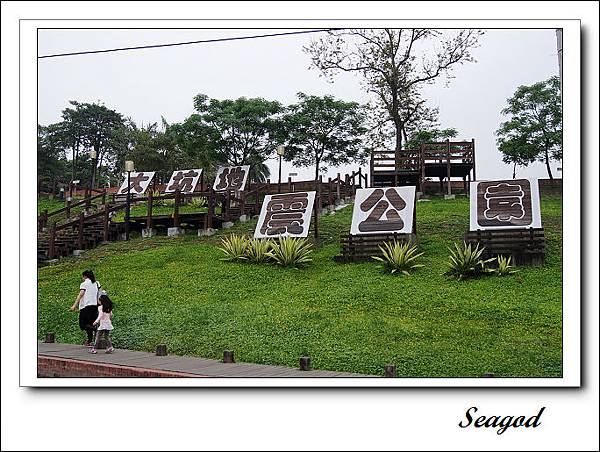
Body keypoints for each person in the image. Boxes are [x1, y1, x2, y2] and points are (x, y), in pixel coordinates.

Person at [69, 270, 101, 346]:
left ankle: (95, 330)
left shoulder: (84, 284)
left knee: (82, 324)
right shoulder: (97, 283)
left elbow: (80, 295)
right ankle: (89, 340)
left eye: (83, 276)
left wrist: (74, 305)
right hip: (95, 306)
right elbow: (99, 294)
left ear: (85, 276)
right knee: (90, 323)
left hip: (86, 307)